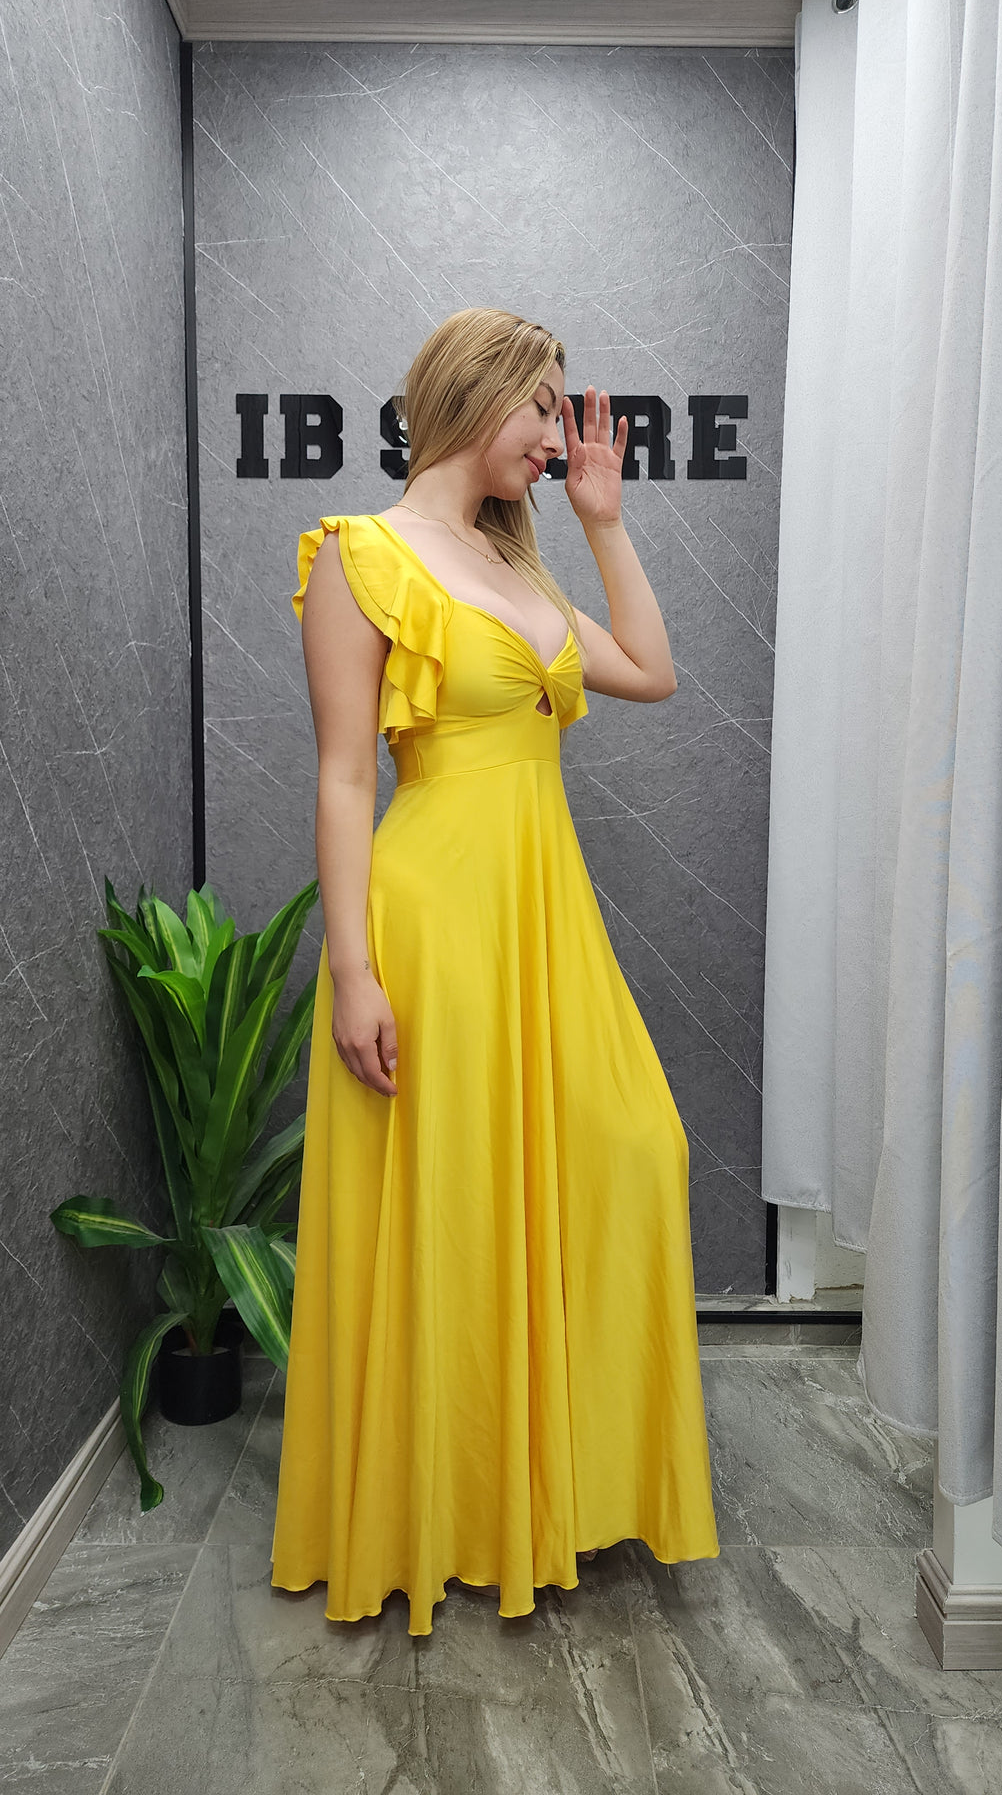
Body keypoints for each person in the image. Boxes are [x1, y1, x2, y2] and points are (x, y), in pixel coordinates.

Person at [270, 307, 720, 1637]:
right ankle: (447, 1511)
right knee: (455, 1206)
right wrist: (353, 970)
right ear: (473, 397)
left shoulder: (514, 563)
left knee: (636, 1148)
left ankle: (538, 1490)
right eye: (543, 410)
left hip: (545, 915)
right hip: (435, 921)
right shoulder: (360, 554)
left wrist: (602, 521)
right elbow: (344, 776)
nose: (557, 437)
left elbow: (651, 672)